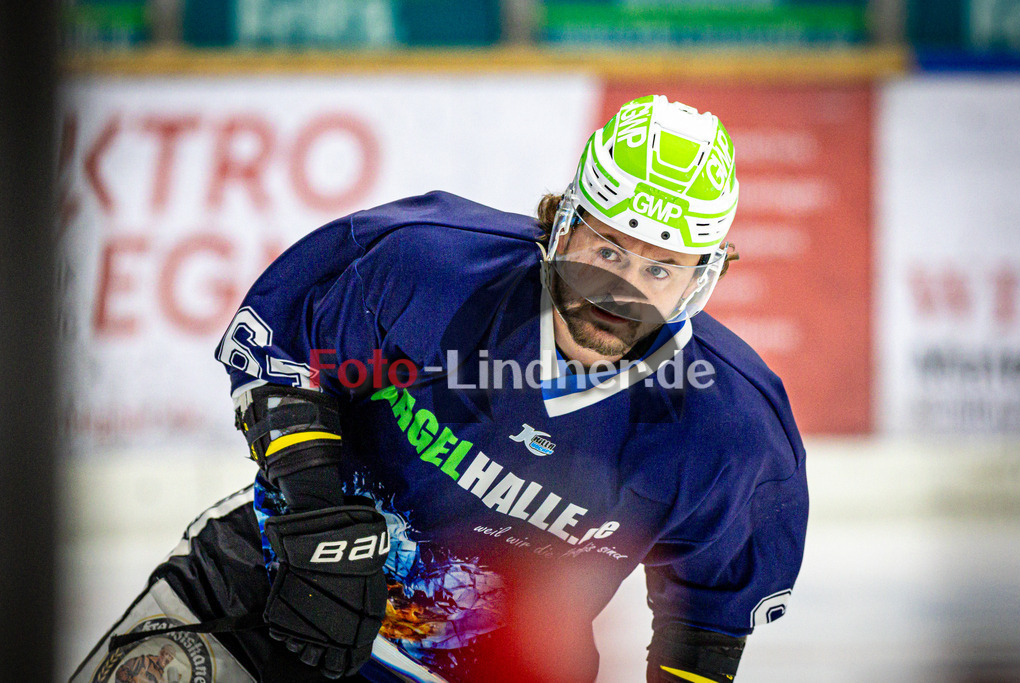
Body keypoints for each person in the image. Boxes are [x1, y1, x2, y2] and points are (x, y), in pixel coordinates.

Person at [71, 95, 808, 683]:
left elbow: (710, 608)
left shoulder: (729, 427)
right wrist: (313, 511)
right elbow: (286, 345)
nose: (620, 292)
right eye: (607, 247)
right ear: (562, 222)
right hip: (262, 600)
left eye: (660, 268)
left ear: (702, 279)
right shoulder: (430, 266)